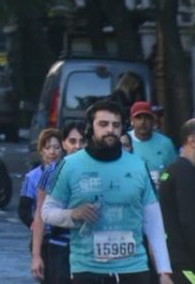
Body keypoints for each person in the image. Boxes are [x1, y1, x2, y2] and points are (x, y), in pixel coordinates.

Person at [42, 99, 173, 283]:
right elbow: (47, 212)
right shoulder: (69, 165)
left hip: (134, 269)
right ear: (90, 128)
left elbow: (154, 222)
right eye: (103, 124)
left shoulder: (138, 165)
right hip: (88, 270)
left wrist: (164, 271)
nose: (110, 130)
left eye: (116, 125)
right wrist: (73, 214)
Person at [30, 122, 86, 284]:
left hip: (89, 247)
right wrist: (36, 255)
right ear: (64, 144)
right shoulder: (50, 172)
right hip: (59, 246)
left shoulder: (98, 168)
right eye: (72, 141)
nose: (77, 146)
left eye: (82, 141)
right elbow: (40, 214)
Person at [157, 118, 195, 283]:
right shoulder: (184, 173)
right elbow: (191, 222)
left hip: (178, 260)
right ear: (193, 141)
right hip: (188, 266)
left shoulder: (173, 171)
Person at [19, 129, 63, 229]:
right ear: (41, 150)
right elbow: (23, 208)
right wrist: (34, 226)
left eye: (57, 148)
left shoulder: (69, 172)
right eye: (48, 148)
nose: (52, 152)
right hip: (43, 232)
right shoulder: (31, 177)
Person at [128, 101, 176, 184]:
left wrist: (163, 178)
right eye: (138, 117)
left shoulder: (165, 143)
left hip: (159, 195)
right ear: (131, 120)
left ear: (153, 120)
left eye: (147, 117)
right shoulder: (123, 142)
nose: (142, 121)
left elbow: (173, 171)